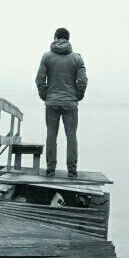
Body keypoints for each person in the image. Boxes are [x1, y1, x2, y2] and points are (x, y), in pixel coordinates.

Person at [35, 27, 88, 177]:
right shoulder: (77, 58)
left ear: (55, 38)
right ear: (68, 39)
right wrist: (77, 96)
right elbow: (82, 80)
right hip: (70, 103)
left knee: (51, 135)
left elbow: (39, 80)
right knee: (71, 136)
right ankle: (72, 171)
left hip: (52, 103)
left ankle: (50, 170)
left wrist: (46, 96)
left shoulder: (46, 57)